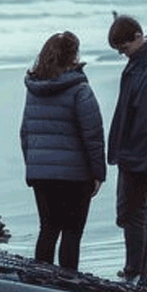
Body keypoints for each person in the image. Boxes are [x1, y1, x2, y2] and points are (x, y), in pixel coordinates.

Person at [20, 31, 106, 272]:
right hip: (75, 175)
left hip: (41, 174)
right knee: (71, 232)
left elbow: (25, 132)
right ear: (74, 55)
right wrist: (98, 173)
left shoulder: (33, 88)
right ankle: (69, 285)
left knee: (47, 228)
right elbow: (93, 135)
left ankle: (39, 285)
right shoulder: (80, 89)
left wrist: (33, 166)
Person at [106, 14, 147, 286]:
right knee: (134, 211)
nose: (122, 53)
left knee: (133, 211)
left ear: (138, 37)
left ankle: (135, 271)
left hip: (142, 151)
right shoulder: (138, 62)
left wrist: (139, 154)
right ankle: (138, 269)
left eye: (124, 48)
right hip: (135, 149)